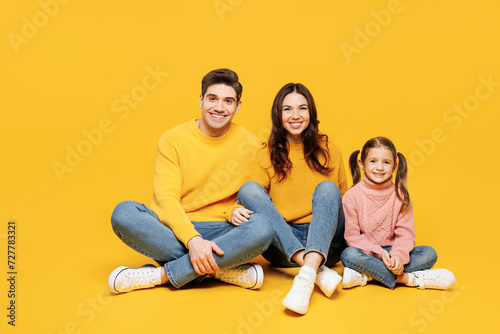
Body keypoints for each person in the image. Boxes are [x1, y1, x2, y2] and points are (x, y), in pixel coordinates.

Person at [108, 68, 274, 293]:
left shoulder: (252, 145)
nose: (219, 107)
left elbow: (257, 194)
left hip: (224, 232)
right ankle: (220, 270)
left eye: (228, 101)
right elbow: (166, 200)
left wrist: (233, 210)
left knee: (263, 226)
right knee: (124, 213)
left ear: (238, 107)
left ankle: (161, 275)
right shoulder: (172, 140)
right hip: (176, 231)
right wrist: (193, 240)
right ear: (200, 100)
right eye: (212, 99)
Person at [235, 83, 348, 314]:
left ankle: (305, 275)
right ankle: (313, 269)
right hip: (283, 247)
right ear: (279, 114)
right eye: (287, 109)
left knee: (328, 188)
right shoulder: (265, 154)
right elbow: (246, 198)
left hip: (329, 243)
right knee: (247, 189)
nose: (295, 115)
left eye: (302, 108)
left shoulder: (330, 150)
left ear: (311, 113)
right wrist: (232, 210)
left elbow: (345, 200)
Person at [341, 136, 455, 290]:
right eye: (373, 161)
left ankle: (367, 275)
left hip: (393, 252)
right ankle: (409, 279)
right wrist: (380, 254)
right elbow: (352, 237)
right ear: (362, 164)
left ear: (394, 166)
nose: (380, 168)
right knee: (348, 255)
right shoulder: (352, 196)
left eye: (386, 162)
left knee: (429, 253)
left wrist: (398, 256)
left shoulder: (400, 196)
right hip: (368, 253)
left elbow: (406, 234)